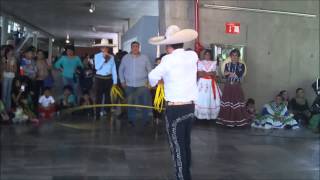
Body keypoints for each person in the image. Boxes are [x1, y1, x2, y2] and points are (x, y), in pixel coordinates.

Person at [148, 25, 198, 180]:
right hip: (190, 108)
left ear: (169, 46)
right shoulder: (193, 56)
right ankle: (186, 173)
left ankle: (182, 177)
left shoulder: (167, 59)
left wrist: (159, 81)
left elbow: (152, 77)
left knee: (177, 147)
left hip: (175, 110)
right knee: (186, 144)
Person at [119, 41, 152, 126]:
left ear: (139, 47)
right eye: (133, 46)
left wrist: (149, 82)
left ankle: (146, 119)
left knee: (145, 103)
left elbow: (150, 70)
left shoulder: (145, 57)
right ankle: (131, 119)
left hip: (143, 85)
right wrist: (122, 81)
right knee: (131, 103)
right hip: (129, 85)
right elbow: (120, 70)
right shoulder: (125, 58)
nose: (135, 48)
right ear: (131, 48)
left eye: (137, 46)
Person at [217, 49, 250, 127]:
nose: (234, 57)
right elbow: (225, 74)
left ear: (238, 57)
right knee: (227, 102)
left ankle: (237, 121)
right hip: (228, 86)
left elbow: (239, 74)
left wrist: (230, 73)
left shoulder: (241, 65)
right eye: (233, 55)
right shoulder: (227, 65)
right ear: (230, 56)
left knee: (236, 103)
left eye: (236, 55)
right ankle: (227, 120)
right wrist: (231, 73)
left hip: (236, 86)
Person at [93, 39, 118, 117]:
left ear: (108, 48)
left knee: (108, 98)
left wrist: (115, 82)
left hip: (109, 79)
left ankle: (107, 113)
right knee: (98, 98)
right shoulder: (97, 56)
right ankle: (97, 114)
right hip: (99, 79)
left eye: (106, 47)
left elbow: (114, 70)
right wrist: (104, 58)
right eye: (103, 47)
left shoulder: (112, 57)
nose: (105, 49)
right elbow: (97, 67)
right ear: (101, 48)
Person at [194, 49, 221, 120]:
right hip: (202, 83)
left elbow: (214, 74)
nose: (207, 56)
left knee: (210, 98)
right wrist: (209, 73)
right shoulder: (200, 62)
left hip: (211, 83)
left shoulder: (214, 63)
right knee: (201, 97)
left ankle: (209, 115)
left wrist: (205, 73)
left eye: (208, 54)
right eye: (206, 54)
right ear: (204, 55)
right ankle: (200, 116)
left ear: (210, 55)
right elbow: (199, 74)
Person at [1, 45, 17, 110]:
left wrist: (11, 68)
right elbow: (6, 69)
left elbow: (15, 70)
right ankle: (3, 109)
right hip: (5, 77)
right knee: (4, 93)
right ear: (7, 51)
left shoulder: (14, 58)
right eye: (10, 50)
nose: (11, 52)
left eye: (12, 50)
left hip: (12, 77)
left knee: (9, 93)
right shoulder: (4, 58)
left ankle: (8, 108)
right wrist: (8, 62)